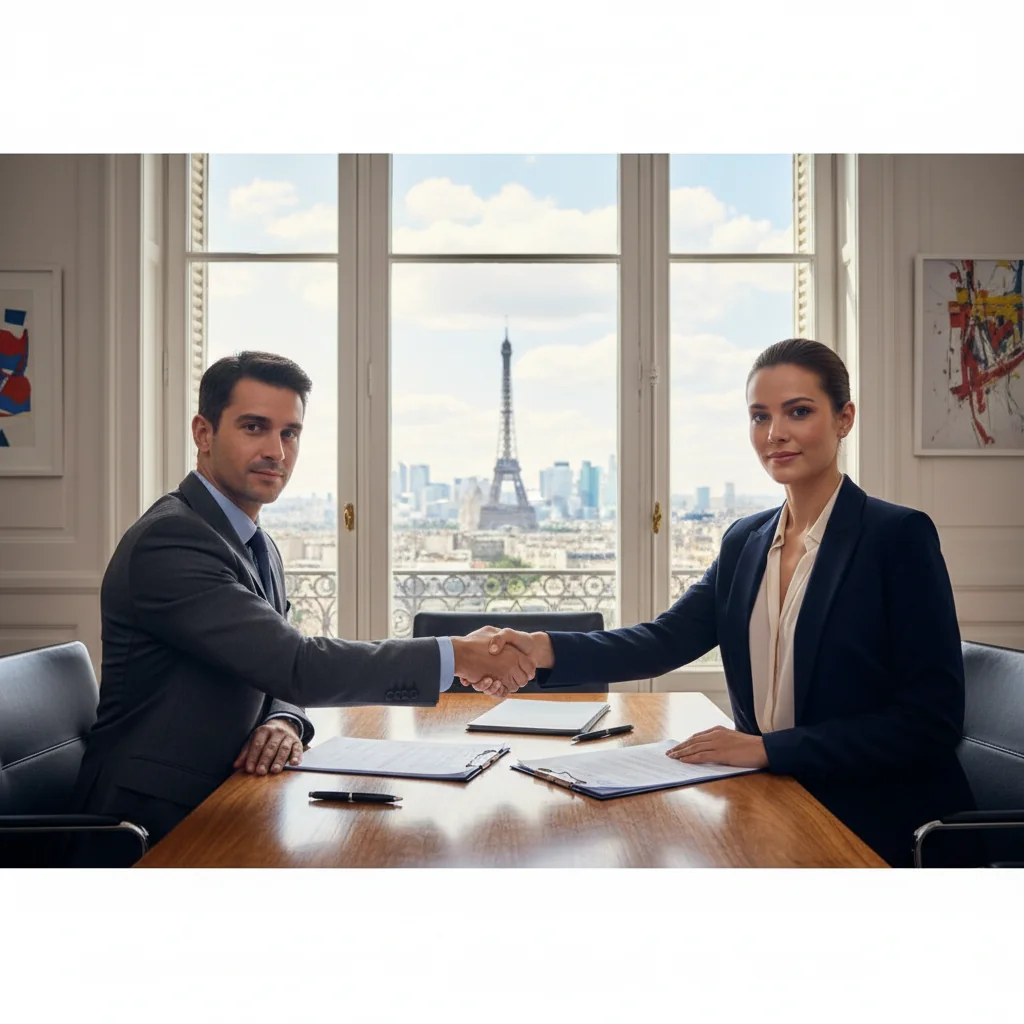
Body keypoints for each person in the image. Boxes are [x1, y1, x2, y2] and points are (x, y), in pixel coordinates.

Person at [481, 338, 974, 867]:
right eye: (759, 416)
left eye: (799, 412)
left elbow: (931, 721)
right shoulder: (746, 540)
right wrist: (541, 647)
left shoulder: (896, 537)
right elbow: (664, 640)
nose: (775, 433)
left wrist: (767, 749)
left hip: (879, 819)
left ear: (844, 419)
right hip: (769, 799)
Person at [72, 351, 533, 860]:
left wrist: (286, 720)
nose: (276, 450)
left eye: (289, 433)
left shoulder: (253, 540)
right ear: (203, 433)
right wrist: (457, 655)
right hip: (152, 820)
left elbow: (273, 662)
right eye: (254, 427)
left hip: (232, 792)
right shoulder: (172, 541)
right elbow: (297, 664)